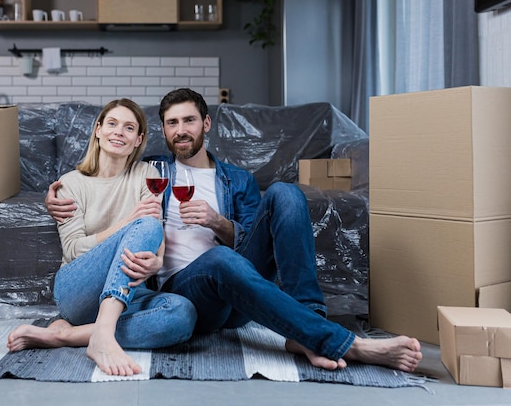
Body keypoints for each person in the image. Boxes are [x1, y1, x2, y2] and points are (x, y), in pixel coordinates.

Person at [45, 88, 422, 372]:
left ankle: (307, 325)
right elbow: (111, 180)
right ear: (161, 131)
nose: (180, 130)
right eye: (172, 123)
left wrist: (217, 222)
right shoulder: (153, 171)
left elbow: (259, 241)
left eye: (189, 120)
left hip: (234, 277)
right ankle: (338, 341)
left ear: (205, 124)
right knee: (218, 260)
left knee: (285, 194)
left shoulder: (237, 180)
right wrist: (56, 198)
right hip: (184, 288)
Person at [7, 98, 197, 377]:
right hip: (77, 291)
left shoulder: (147, 175)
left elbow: (155, 232)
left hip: (129, 291)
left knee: (182, 314)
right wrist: (127, 223)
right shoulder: (71, 183)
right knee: (143, 223)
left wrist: (157, 263)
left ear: (138, 139)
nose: (119, 132)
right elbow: (73, 251)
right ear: (98, 130)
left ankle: (67, 336)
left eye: (129, 128)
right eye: (112, 124)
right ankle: (104, 334)